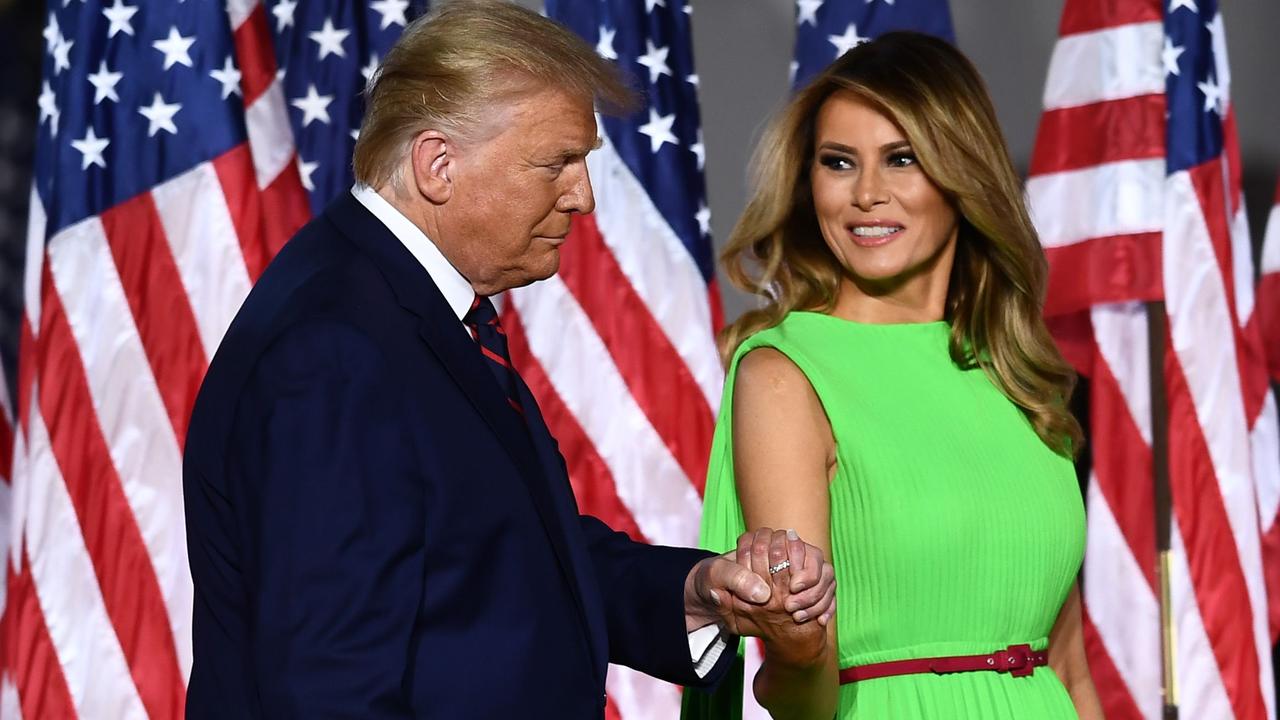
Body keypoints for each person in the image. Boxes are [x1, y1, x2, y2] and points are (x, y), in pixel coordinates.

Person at [181, 2, 836, 717]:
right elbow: (331, 681)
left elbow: (500, 556)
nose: (582, 197)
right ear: (438, 165)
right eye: (558, 162)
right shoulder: (336, 348)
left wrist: (698, 591)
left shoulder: (398, 307)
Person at [682, 32, 1104, 719]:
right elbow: (803, 702)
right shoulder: (786, 374)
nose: (867, 194)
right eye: (839, 163)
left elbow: (1069, 668)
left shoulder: (1019, 374)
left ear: (961, 174)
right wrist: (793, 651)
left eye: (901, 159)